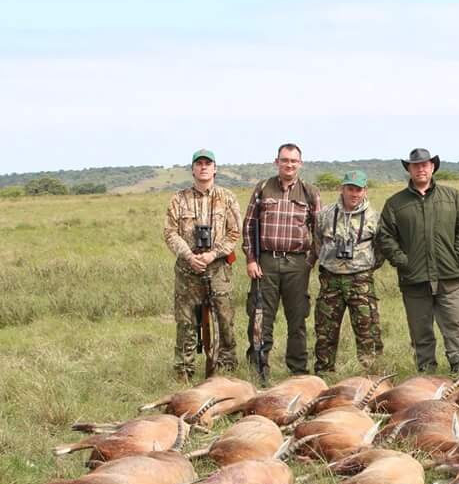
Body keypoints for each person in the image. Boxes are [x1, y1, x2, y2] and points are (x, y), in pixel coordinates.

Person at [377, 148, 459, 373]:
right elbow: (385, 236)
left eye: (425, 164)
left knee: (456, 325)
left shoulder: (452, 197)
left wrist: (457, 254)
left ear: (432, 167)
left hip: (450, 276)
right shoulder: (395, 203)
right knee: (420, 330)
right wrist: (402, 261)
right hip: (414, 279)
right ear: (409, 170)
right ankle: (426, 372)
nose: (421, 168)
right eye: (416, 165)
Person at [241, 143, 321, 376]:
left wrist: (310, 262)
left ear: (300, 163)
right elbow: (249, 226)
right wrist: (251, 259)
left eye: (293, 161)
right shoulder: (263, 188)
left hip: (298, 264)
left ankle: (298, 370)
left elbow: (319, 231)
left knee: (297, 319)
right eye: (285, 160)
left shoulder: (310, 192)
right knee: (260, 316)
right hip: (265, 262)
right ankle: (259, 368)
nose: (289, 165)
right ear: (277, 162)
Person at [162, 148, 242, 381]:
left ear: (215, 168)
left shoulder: (227, 198)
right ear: (193, 169)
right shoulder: (178, 199)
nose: (204, 167)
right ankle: (184, 372)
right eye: (199, 164)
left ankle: (227, 371)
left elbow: (234, 232)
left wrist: (213, 254)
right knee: (186, 322)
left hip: (218, 268)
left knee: (225, 319)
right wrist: (189, 256)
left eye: (208, 163)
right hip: (188, 269)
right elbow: (170, 233)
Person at [311, 170, 384, 373]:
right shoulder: (324, 214)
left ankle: (372, 376)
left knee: (368, 330)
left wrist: (365, 265)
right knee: (325, 331)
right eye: (350, 189)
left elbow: (380, 248)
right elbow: (317, 242)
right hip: (330, 279)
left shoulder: (374, 217)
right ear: (342, 189)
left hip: (360, 279)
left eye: (358, 190)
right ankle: (324, 374)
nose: (354, 194)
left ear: (365, 191)